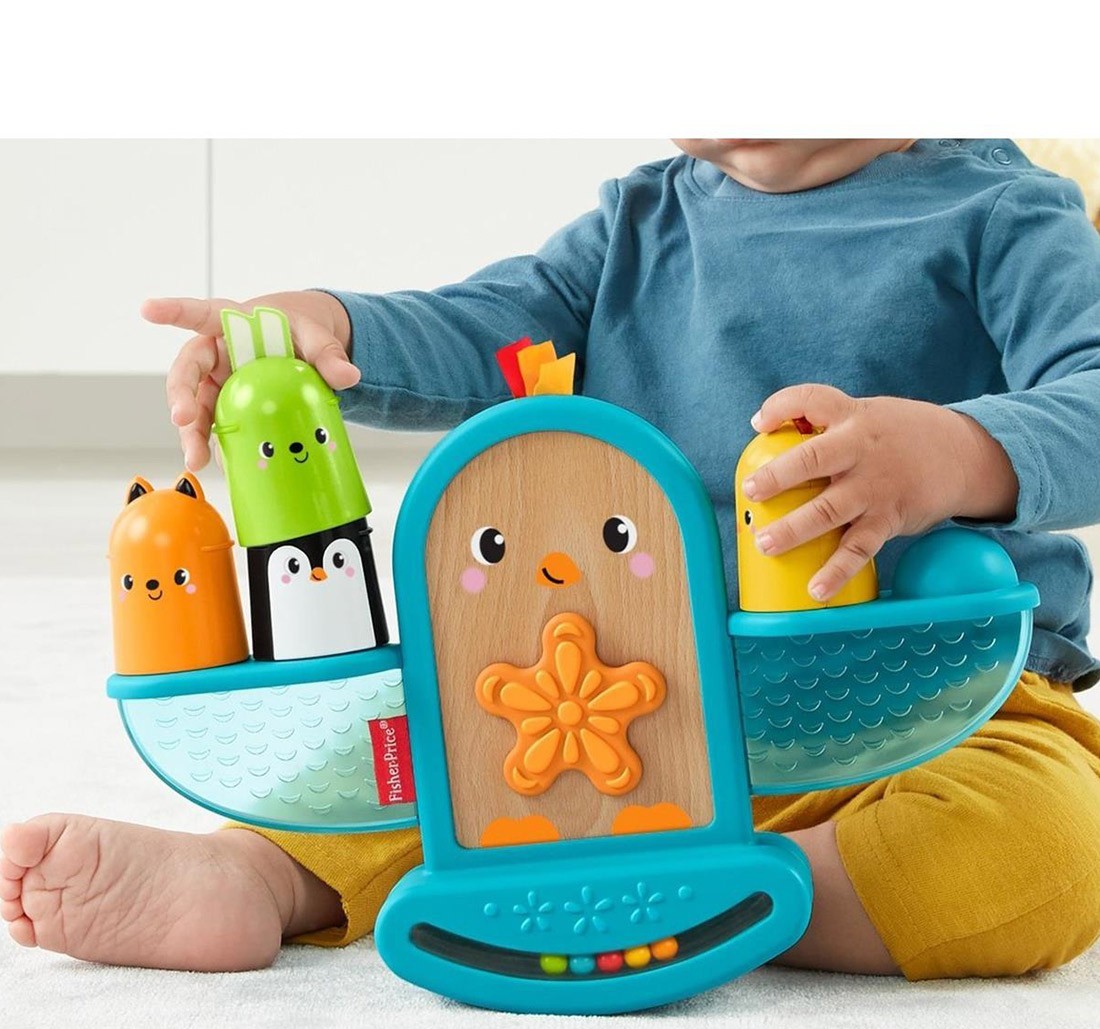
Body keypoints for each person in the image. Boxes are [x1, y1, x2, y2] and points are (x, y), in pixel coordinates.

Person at [6, 138, 1100, 981]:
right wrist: (329, 324)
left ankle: (744, 889)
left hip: (927, 703)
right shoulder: (636, 222)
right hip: (609, 708)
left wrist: (953, 454)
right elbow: (482, 324)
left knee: (1046, 840)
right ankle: (257, 873)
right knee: (405, 761)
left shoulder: (1003, 213)